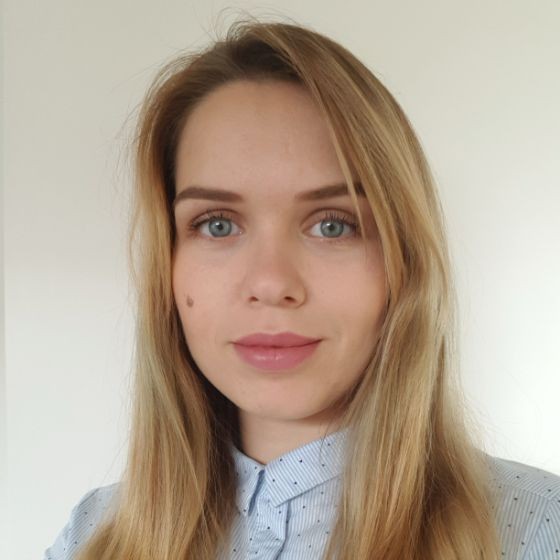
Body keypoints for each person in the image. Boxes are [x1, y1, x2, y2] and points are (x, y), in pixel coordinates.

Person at [44, 16, 560, 560]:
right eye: (217, 224)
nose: (271, 284)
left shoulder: (542, 530)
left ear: (404, 261)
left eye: (333, 225)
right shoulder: (91, 536)